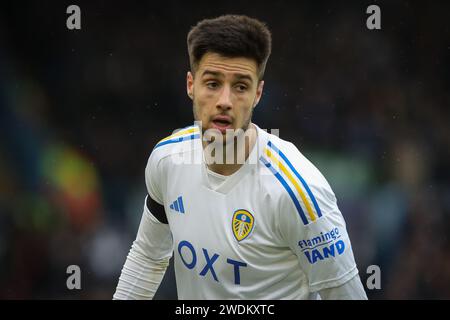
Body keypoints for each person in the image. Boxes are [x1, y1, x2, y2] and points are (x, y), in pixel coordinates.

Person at [113, 14, 367, 300]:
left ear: (258, 94)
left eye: (241, 87)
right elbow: (148, 256)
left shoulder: (298, 194)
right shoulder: (167, 160)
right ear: (190, 85)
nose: (224, 100)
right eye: (212, 84)